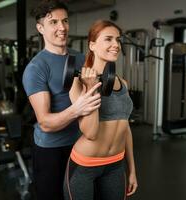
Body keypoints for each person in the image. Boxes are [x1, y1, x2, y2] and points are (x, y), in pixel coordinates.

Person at [22, 1, 102, 200]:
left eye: (65, 21)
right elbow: (45, 123)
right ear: (40, 28)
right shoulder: (36, 68)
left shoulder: (80, 57)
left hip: (81, 143)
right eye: (53, 22)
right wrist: (77, 109)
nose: (62, 27)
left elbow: (91, 94)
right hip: (51, 150)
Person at [63, 20, 138, 200]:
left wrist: (132, 170)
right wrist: (91, 89)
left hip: (115, 165)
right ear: (92, 45)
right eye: (109, 39)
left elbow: (125, 128)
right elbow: (91, 132)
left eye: (118, 40)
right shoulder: (78, 82)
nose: (116, 45)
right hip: (85, 166)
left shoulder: (123, 83)